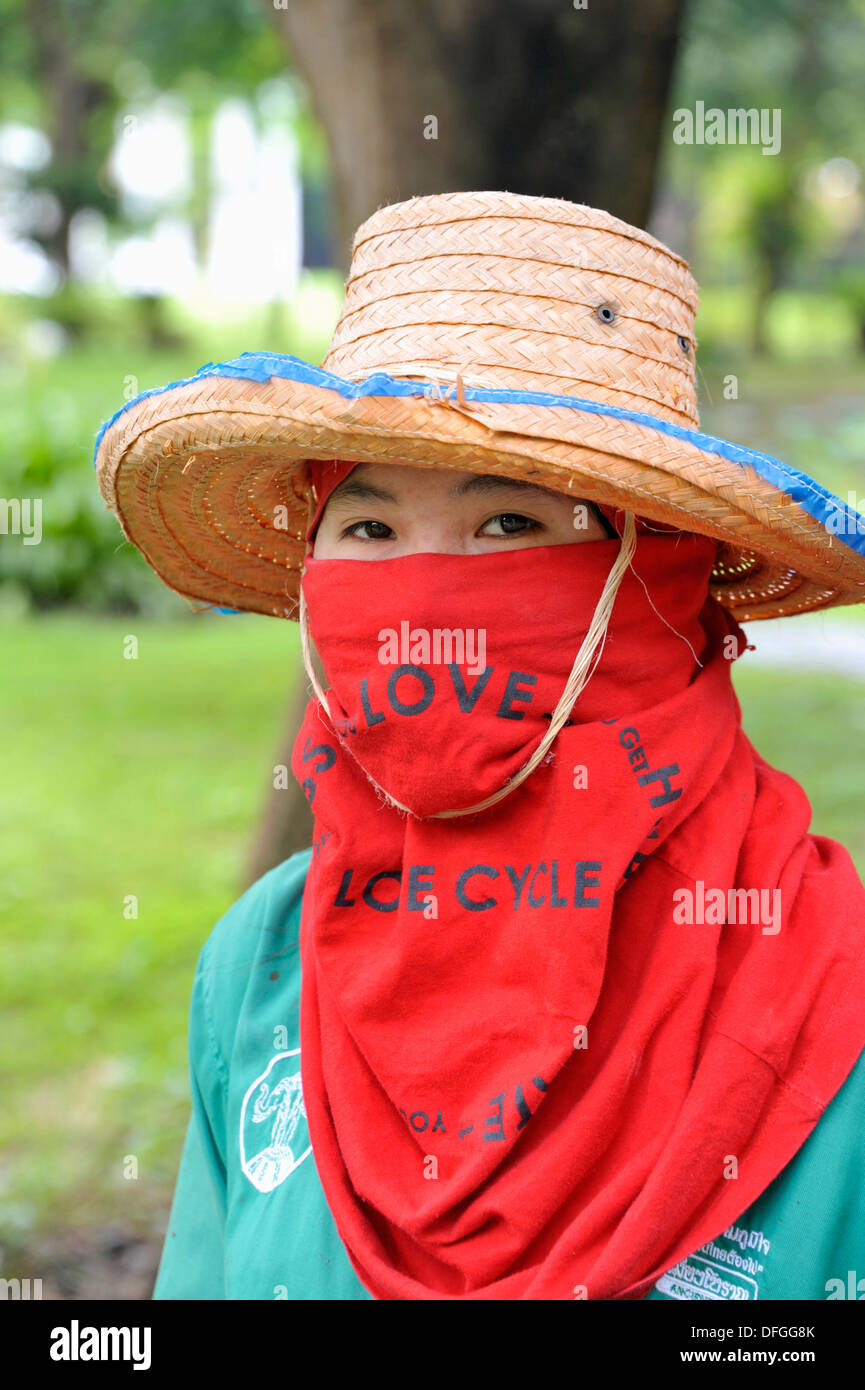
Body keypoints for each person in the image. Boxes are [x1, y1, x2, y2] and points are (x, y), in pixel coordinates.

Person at [94, 190, 865, 1301]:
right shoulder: (261, 966)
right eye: (367, 528)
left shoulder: (829, 985)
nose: (422, 598)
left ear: (661, 575)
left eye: (509, 522)